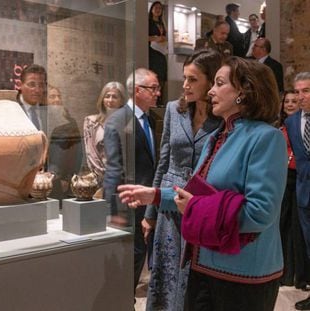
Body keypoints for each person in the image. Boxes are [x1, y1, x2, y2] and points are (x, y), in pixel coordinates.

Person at [119, 57, 287, 311]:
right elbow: (193, 194)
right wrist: (153, 195)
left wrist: (196, 208)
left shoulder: (267, 138)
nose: (210, 91)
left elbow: (261, 213)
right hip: (203, 264)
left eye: (219, 83)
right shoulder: (219, 136)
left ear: (244, 91)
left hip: (243, 273)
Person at [144, 49, 222, 311]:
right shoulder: (172, 110)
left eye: (193, 79)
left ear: (210, 82)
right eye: (184, 78)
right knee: (165, 271)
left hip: (199, 203)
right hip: (168, 203)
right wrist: (150, 213)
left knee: (192, 274)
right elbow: (163, 160)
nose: (185, 85)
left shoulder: (222, 118)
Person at [103, 68, 158, 295]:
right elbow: (114, 169)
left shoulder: (151, 119)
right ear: (137, 90)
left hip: (150, 201)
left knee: (141, 256)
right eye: (153, 88)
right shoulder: (117, 120)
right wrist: (113, 209)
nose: (158, 93)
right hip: (130, 204)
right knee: (131, 258)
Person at [17, 64, 82, 202]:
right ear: (20, 85)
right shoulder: (11, 110)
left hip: (50, 185)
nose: (37, 89)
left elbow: (66, 147)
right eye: (31, 84)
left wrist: (57, 175)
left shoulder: (51, 112)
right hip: (19, 184)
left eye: (41, 85)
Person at [279, 90, 310, 291]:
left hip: (300, 178)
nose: (290, 104)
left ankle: (301, 276)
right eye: (287, 101)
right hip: (283, 180)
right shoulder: (282, 125)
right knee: (283, 227)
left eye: (294, 100)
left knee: (299, 231)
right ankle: (285, 274)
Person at [286, 72, 310, 310]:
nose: (301, 96)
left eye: (306, 91)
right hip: (304, 194)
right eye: (298, 91)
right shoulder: (291, 123)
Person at [83, 81, 126, 199]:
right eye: (107, 96)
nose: (110, 100)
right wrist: (104, 175)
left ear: (122, 100)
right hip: (97, 178)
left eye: (115, 97)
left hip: (121, 179)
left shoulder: (128, 124)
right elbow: (90, 152)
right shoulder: (91, 122)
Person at [148, 1, 167, 106]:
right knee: (154, 74)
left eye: (160, 8)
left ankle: (159, 100)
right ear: (151, 9)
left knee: (162, 75)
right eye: (156, 7)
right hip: (152, 51)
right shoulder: (148, 22)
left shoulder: (162, 23)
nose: (158, 9)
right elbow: (143, 35)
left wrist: (164, 38)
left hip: (161, 52)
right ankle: (152, 100)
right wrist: (155, 38)